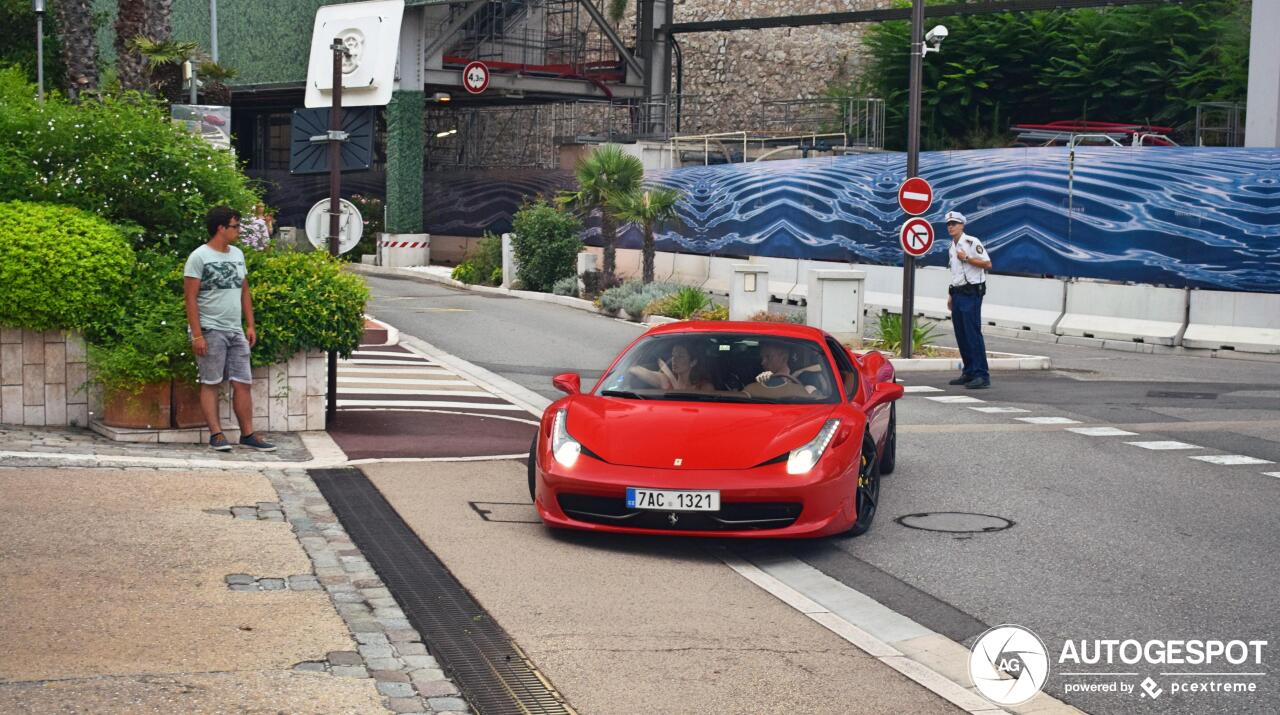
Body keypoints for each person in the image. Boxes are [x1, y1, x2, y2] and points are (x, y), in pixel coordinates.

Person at [184, 206, 276, 452]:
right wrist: (197, 335)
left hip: (235, 330)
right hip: (210, 329)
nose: (238, 231)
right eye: (235, 226)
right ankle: (216, 434)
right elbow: (190, 299)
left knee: (242, 382)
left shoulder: (237, 254)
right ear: (220, 228)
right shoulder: (199, 257)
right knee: (211, 381)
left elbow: (244, 290)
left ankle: (248, 434)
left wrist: (250, 324)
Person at [944, 210, 993, 389]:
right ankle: (969, 371)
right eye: (949, 224)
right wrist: (951, 294)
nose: (951, 227)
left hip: (971, 293)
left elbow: (988, 264)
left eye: (954, 224)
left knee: (972, 334)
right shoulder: (952, 246)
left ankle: (982, 374)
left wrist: (967, 258)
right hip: (957, 293)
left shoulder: (972, 242)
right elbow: (955, 273)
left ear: (962, 225)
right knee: (961, 334)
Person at [628, 341, 713, 391]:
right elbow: (635, 369)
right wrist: (670, 377)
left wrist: (671, 378)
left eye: (680, 356)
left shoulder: (704, 387)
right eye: (673, 355)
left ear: (693, 362)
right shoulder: (665, 380)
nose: (674, 359)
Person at [753, 340, 826, 395]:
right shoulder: (762, 377)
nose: (762, 362)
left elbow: (812, 399)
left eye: (768, 357)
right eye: (762, 357)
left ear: (784, 357)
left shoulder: (806, 378)